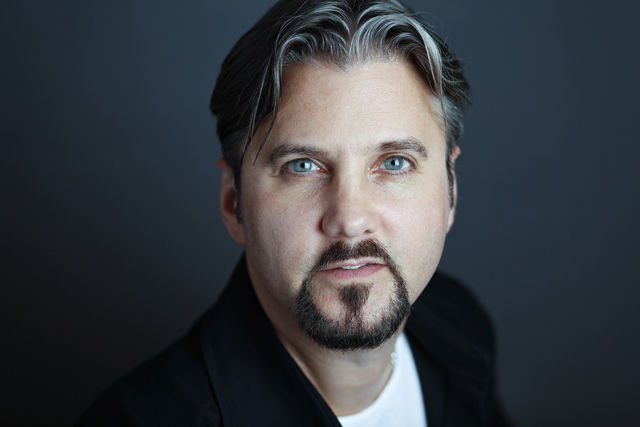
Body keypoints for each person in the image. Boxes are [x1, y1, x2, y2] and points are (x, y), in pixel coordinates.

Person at [78, 0, 509, 425]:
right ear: (233, 202)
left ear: (451, 188)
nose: (350, 220)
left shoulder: (460, 328)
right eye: (302, 166)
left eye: (395, 163)